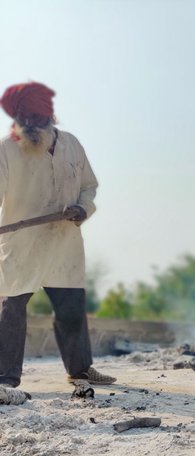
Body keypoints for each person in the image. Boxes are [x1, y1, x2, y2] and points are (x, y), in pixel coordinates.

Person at [0, 81, 115, 405]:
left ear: (49, 117)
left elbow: (89, 186)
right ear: (19, 119)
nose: (34, 126)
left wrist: (83, 208)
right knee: (12, 309)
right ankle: (5, 379)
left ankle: (81, 370)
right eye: (28, 120)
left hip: (64, 241)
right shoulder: (6, 150)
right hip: (21, 243)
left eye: (39, 119)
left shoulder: (72, 145)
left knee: (71, 309)